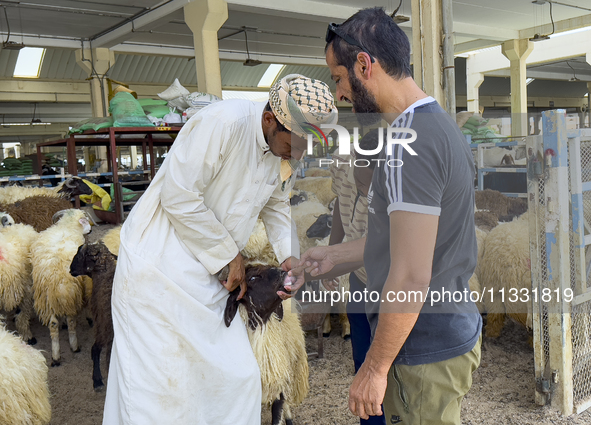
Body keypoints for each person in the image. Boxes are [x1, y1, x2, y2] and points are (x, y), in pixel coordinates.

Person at [102, 74, 337, 425]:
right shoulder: (221, 124)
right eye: (297, 143)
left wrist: (289, 255)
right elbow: (178, 195)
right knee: (162, 392)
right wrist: (230, 254)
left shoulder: (279, 147)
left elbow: (276, 204)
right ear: (270, 119)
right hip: (159, 273)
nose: (299, 153)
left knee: (238, 377)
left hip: (207, 279)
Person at [297, 8, 481, 425]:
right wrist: (333, 257)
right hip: (445, 333)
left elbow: (412, 275)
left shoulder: (407, 144)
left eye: (338, 77)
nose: (340, 93)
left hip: (421, 350)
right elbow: (411, 243)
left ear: (365, 64)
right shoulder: (437, 125)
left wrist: (376, 368)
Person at [327, 128, 385, 425]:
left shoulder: (400, 178)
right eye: (361, 186)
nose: (365, 194)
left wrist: (337, 259)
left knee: (388, 362)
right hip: (361, 279)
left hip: (389, 279)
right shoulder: (342, 160)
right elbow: (340, 202)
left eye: (370, 190)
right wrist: (333, 252)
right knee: (362, 358)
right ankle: (371, 420)